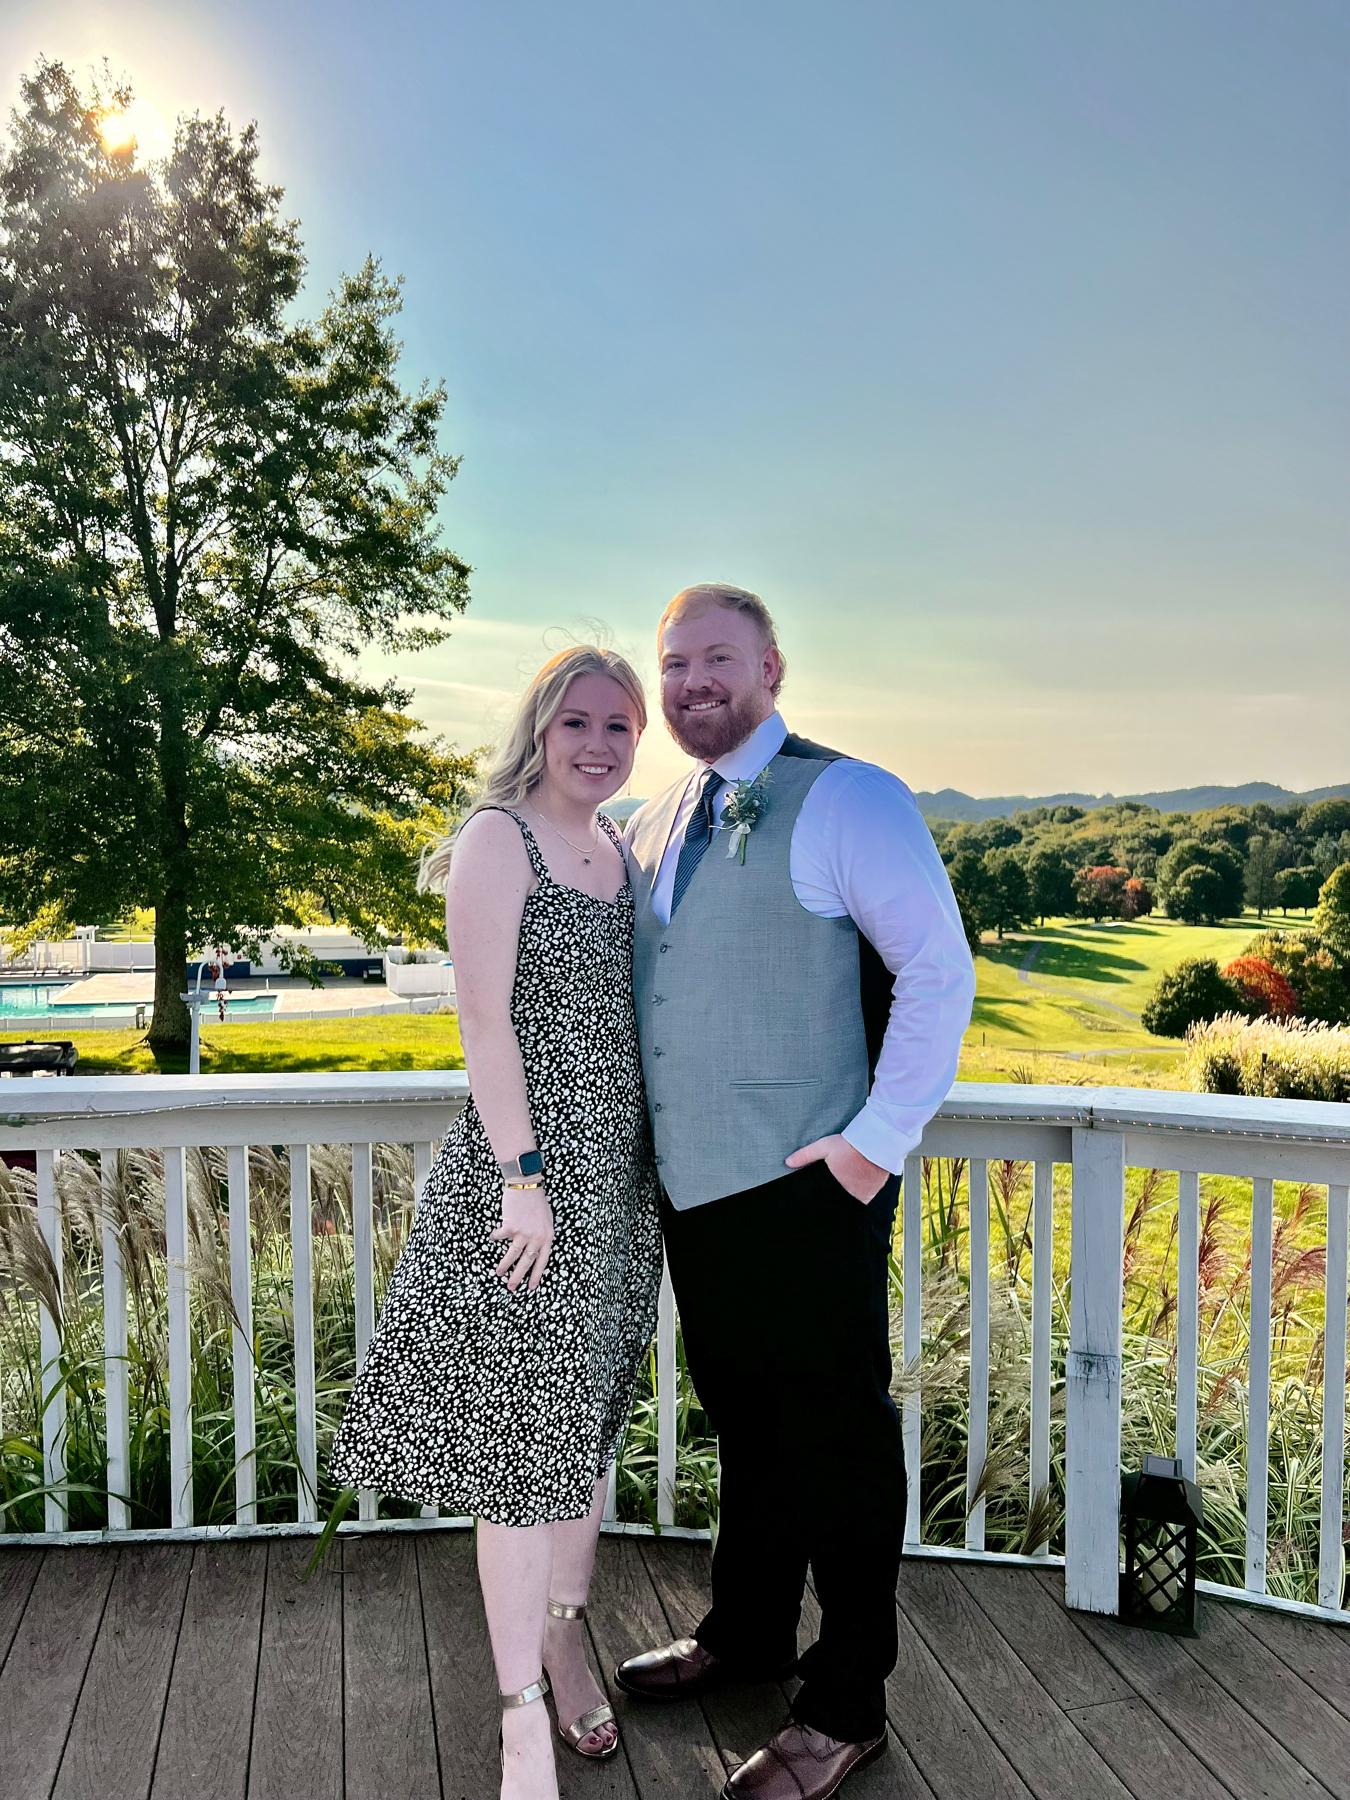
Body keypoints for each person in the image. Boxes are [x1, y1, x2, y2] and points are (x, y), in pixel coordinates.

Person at [616, 584, 976, 1800]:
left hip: (809, 1182)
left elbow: (938, 971)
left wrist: (872, 1146)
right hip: (697, 1186)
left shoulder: (851, 797)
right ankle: (749, 1634)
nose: (691, 682)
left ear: (772, 664)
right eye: (673, 663)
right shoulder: (658, 816)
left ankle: (846, 1701)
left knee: (835, 1443)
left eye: (717, 657)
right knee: (749, 1426)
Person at [329, 645, 663, 1800]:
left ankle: (567, 1637)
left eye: (620, 727)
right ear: (540, 724)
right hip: (528, 1191)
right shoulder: (499, 838)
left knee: (580, 1427)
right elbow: (485, 1027)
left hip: (617, 1189)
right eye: (578, 722)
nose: (599, 745)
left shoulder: (619, 850)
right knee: (523, 1449)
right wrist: (525, 1176)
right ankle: (521, 1709)